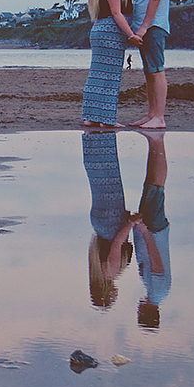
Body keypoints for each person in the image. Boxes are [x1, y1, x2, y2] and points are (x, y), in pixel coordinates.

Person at [81, 0, 141, 128]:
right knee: (110, 77)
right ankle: (106, 119)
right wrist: (131, 35)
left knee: (97, 75)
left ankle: (91, 116)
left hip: (99, 30)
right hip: (110, 33)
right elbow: (117, 13)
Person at [83, 132, 135, 309]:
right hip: (98, 223)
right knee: (98, 178)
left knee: (110, 174)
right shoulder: (94, 269)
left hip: (111, 223)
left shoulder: (110, 272)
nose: (115, 298)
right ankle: (92, 140)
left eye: (111, 300)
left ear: (106, 294)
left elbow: (117, 244)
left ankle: (103, 139)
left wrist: (131, 223)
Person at [129, 0, 171, 129]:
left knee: (156, 70)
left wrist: (144, 26)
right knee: (149, 71)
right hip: (146, 27)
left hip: (153, 27)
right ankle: (151, 114)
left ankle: (159, 117)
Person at [130, 127, 170, 328]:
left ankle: (154, 144)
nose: (137, 308)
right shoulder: (156, 292)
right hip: (153, 229)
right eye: (139, 312)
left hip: (153, 230)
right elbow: (156, 262)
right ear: (145, 312)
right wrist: (145, 231)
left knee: (150, 186)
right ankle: (159, 143)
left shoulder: (157, 293)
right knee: (157, 187)